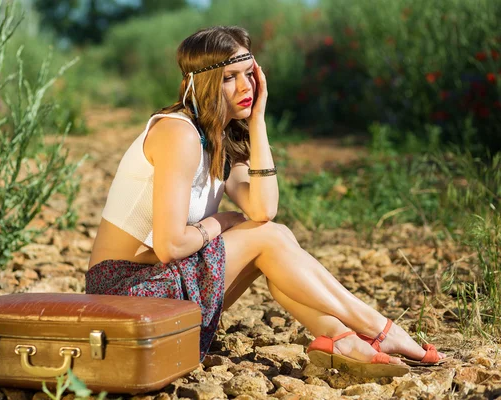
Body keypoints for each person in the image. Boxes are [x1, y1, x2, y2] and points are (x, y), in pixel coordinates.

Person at [86, 26, 444, 377]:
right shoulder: (177, 132)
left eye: (250, 73)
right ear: (203, 83)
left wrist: (258, 121)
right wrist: (221, 222)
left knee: (273, 235)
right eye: (230, 77)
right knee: (268, 238)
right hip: (124, 293)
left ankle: (342, 339)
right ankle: (380, 329)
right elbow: (170, 245)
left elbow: (263, 210)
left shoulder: (218, 140)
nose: (245, 86)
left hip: (158, 287)